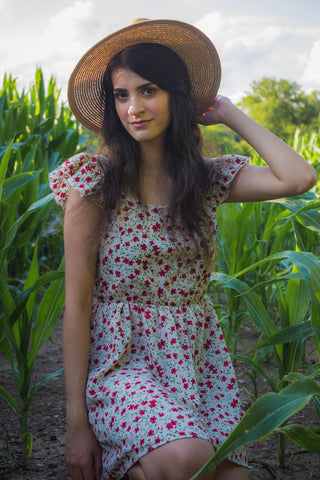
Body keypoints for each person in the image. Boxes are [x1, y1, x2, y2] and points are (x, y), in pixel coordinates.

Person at [49, 18, 317, 480]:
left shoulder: (206, 178)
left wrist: (230, 113)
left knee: (231, 475)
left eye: (148, 90)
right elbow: (75, 303)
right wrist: (77, 423)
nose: (134, 107)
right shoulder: (94, 181)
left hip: (194, 359)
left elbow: (298, 177)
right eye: (122, 94)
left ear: (177, 94)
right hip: (121, 359)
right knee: (187, 460)